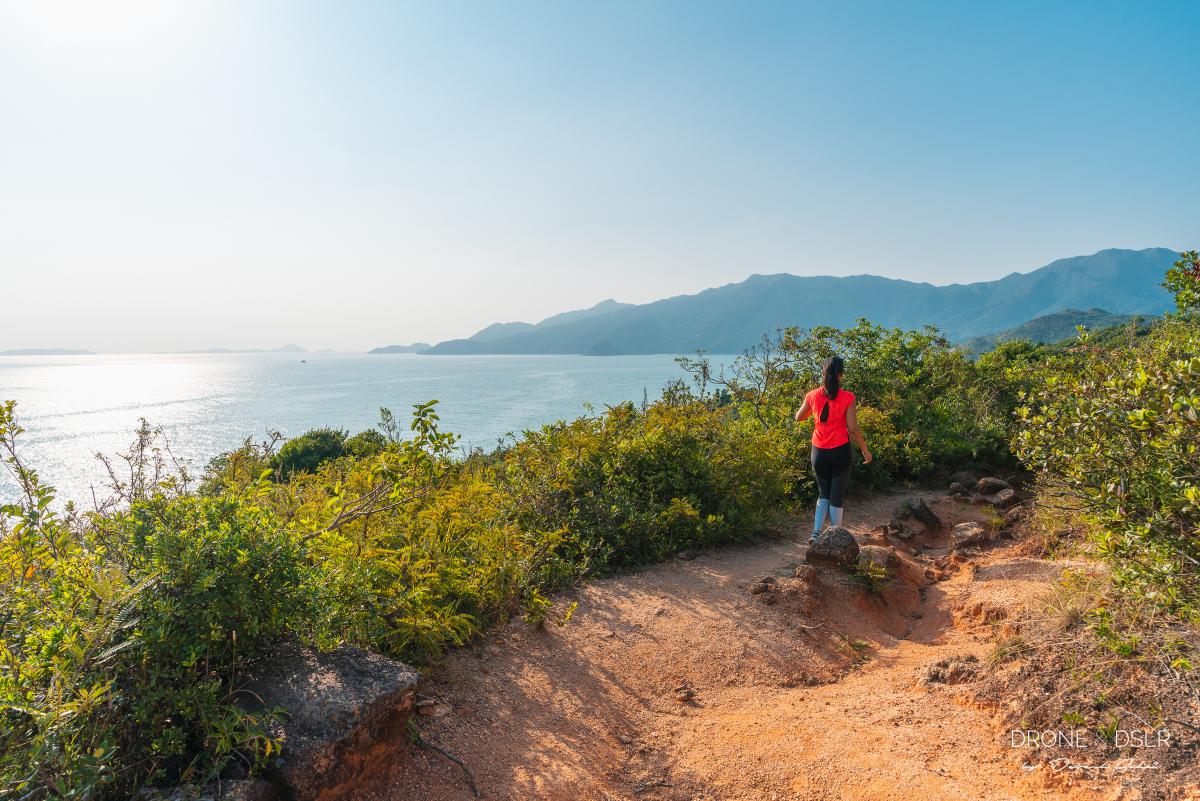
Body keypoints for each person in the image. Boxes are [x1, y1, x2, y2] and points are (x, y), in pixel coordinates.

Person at [794, 356, 872, 541]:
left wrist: (814, 414)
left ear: (824, 374)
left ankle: (816, 533)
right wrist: (864, 450)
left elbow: (798, 417)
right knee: (836, 495)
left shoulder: (812, 395)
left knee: (823, 493)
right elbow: (853, 429)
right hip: (840, 451)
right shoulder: (848, 397)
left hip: (819, 451)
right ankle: (835, 535)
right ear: (841, 375)